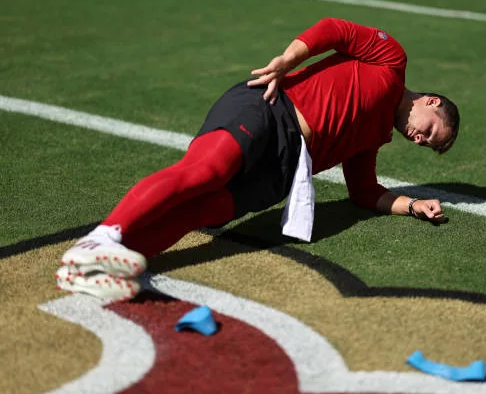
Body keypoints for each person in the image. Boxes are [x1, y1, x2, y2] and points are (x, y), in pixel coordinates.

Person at [55, 18, 460, 301]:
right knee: (205, 172)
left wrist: (411, 205)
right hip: (270, 106)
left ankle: (104, 267)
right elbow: (334, 29)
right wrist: (286, 62)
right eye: (430, 130)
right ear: (431, 101)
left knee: (205, 211)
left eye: (425, 144)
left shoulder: (376, 136)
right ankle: (100, 239)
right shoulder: (392, 61)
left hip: (286, 167)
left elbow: (364, 190)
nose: (419, 138)